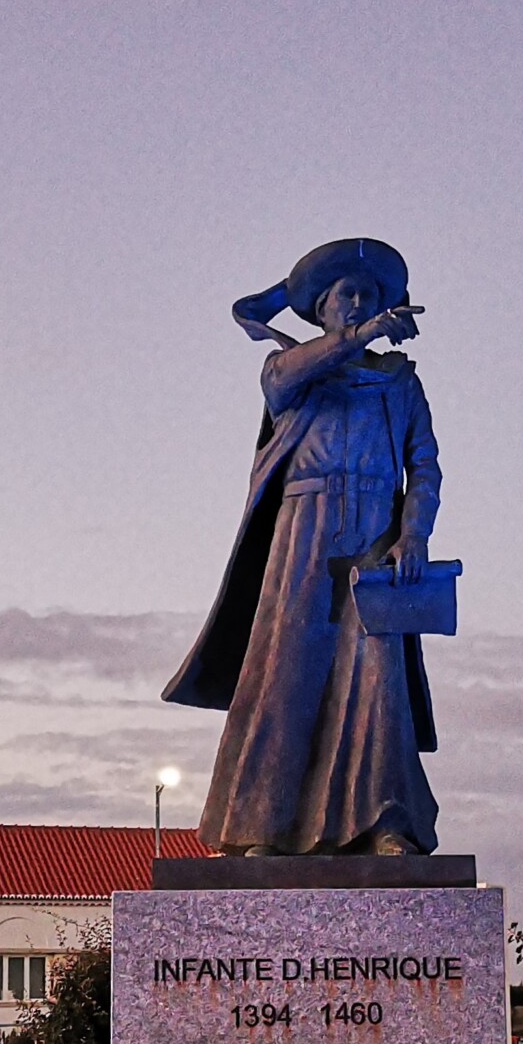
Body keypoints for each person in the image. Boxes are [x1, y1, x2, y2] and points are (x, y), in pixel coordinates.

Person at [164, 238, 443, 856]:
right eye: (348, 297)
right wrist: (354, 336)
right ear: (320, 310)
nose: (360, 307)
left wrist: (414, 532)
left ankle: (385, 823)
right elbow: (290, 376)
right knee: (286, 671)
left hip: (373, 537)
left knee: (377, 682)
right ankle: (261, 827)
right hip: (303, 531)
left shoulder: (400, 383)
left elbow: (424, 464)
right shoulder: (288, 372)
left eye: (370, 298)